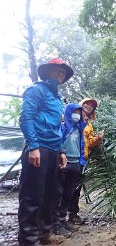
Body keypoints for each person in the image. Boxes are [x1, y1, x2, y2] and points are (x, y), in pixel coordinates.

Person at [18, 58, 74, 245]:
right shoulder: (36, 90)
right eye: (58, 69)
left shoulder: (57, 98)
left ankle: (44, 234)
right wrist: (33, 146)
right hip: (38, 148)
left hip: (53, 150)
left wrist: (61, 150)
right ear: (48, 70)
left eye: (63, 71)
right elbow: (26, 118)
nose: (61, 72)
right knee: (33, 195)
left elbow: (57, 128)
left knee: (52, 194)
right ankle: (29, 239)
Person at [67, 98, 104, 224]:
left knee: (76, 187)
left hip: (82, 159)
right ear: (81, 104)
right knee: (64, 187)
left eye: (92, 106)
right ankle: (57, 217)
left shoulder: (89, 124)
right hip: (68, 156)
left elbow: (89, 142)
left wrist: (98, 138)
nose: (89, 106)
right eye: (87, 104)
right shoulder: (71, 117)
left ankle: (72, 214)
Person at [53, 103, 86, 237]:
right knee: (58, 194)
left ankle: (62, 220)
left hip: (75, 164)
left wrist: (81, 161)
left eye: (79, 112)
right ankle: (55, 223)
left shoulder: (79, 129)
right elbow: (58, 142)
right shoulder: (62, 127)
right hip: (63, 164)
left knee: (68, 194)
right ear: (68, 113)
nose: (77, 115)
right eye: (75, 112)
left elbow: (82, 145)